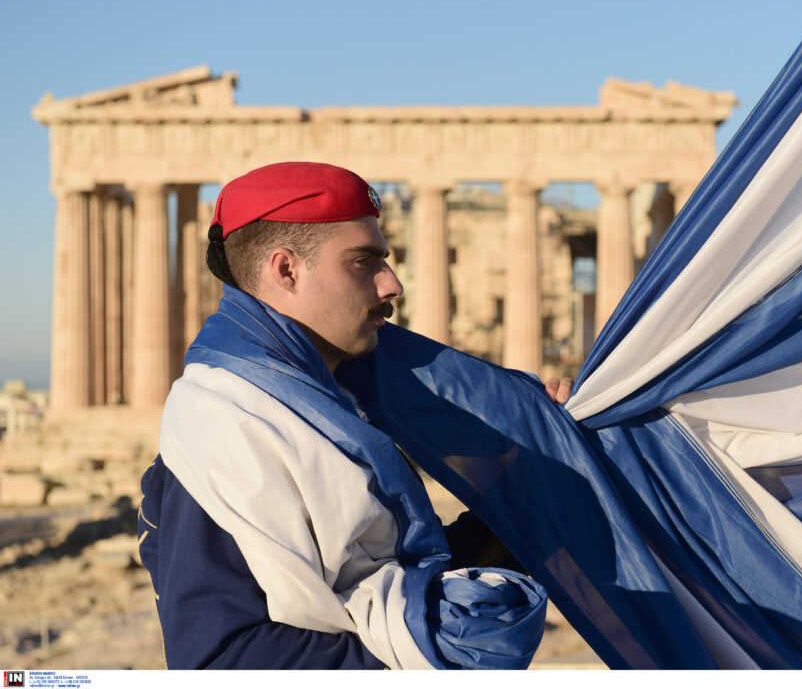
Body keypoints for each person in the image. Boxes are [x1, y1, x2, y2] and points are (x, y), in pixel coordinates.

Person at [137, 162, 566, 669]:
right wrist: (436, 650)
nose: (393, 285)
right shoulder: (226, 428)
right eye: (366, 262)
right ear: (286, 270)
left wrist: (542, 475)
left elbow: (383, 577)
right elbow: (223, 658)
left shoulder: (326, 405)